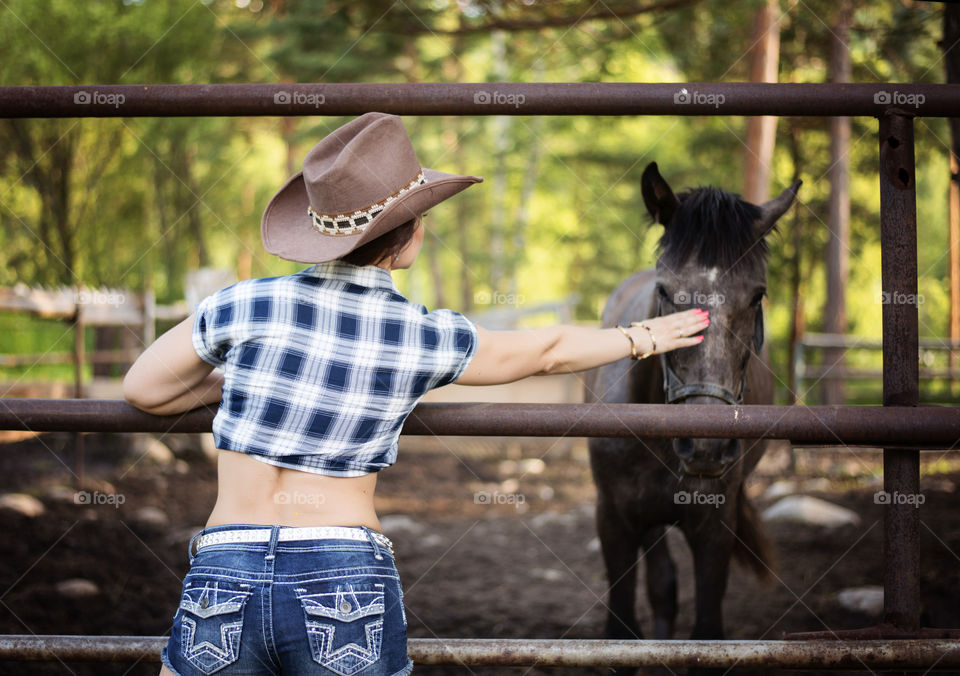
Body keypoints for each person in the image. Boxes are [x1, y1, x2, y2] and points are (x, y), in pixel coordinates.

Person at [122, 112, 709, 676]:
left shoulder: (241, 303)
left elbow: (145, 389)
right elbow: (547, 350)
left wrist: (239, 379)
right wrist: (641, 336)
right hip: (341, 571)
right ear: (407, 239)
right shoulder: (421, 334)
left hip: (228, 564)